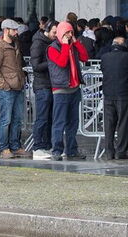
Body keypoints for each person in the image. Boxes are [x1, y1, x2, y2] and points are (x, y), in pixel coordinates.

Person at [48, 20, 88, 161]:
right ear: (60, 33)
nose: (70, 35)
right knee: (59, 122)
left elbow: (85, 57)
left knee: (73, 123)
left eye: (71, 32)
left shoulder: (73, 46)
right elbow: (62, 62)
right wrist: (65, 45)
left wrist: (76, 43)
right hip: (61, 89)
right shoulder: (52, 48)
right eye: (67, 32)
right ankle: (57, 150)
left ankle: (72, 150)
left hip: (74, 89)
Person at [0, 19, 27, 159]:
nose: (16, 32)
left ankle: (15, 145)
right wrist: (4, 85)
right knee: (5, 120)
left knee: (17, 119)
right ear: (6, 30)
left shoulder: (15, 44)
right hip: (6, 88)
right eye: (14, 30)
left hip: (17, 86)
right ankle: (4, 147)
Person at [98, 28, 128, 159]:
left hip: (108, 93)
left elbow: (103, 70)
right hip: (124, 93)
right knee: (123, 123)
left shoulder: (105, 57)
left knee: (109, 124)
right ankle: (121, 151)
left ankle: (109, 151)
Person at [30, 20, 57, 160]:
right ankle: (38, 146)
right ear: (47, 30)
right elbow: (35, 66)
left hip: (50, 84)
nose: (56, 35)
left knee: (49, 117)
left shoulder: (51, 43)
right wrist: (52, 61)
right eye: (54, 32)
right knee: (42, 118)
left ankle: (46, 145)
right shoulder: (38, 43)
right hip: (42, 85)